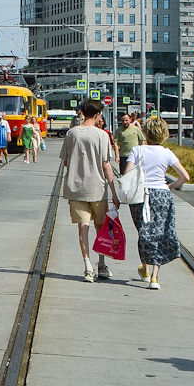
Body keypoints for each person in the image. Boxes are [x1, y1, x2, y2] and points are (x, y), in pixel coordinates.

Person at [124, 114, 190, 289]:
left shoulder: (137, 150)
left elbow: (127, 174)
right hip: (162, 195)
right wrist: (170, 186)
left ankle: (144, 268)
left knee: (144, 231)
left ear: (146, 133)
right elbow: (185, 177)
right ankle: (154, 276)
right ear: (164, 134)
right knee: (159, 233)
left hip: (140, 195)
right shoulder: (167, 153)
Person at [60, 99, 117, 282]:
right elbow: (106, 165)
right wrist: (114, 193)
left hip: (76, 188)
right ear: (98, 114)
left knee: (83, 227)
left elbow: (66, 161)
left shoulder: (71, 133)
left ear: (82, 112)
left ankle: (87, 267)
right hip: (97, 189)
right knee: (100, 228)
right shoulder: (102, 135)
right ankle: (101, 264)